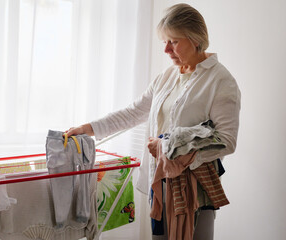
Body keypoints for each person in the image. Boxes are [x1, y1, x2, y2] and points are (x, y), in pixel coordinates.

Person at [66, 3, 240, 240]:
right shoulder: (167, 77)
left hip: (194, 191)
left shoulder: (221, 81)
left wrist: (168, 147)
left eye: (174, 42)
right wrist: (88, 129)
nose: (167, 50)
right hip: (158, 185)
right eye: (164, 42)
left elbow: (226, 141)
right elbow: (133, 112)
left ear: (195, 38)